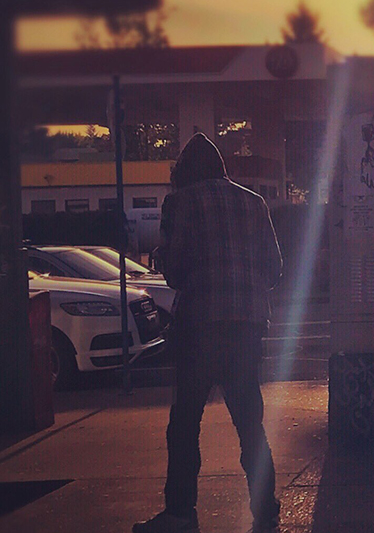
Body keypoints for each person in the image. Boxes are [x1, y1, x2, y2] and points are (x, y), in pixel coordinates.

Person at [135, 133, 283, 533]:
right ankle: (265, 508)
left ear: (183, 173)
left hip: (199, 326)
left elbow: (177, 271)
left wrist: (167, 257)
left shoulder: (179, 202)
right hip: (248, 325)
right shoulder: (255, 202)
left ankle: (181, 514)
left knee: (185, 422)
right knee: (249, 422)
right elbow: (274, 268)